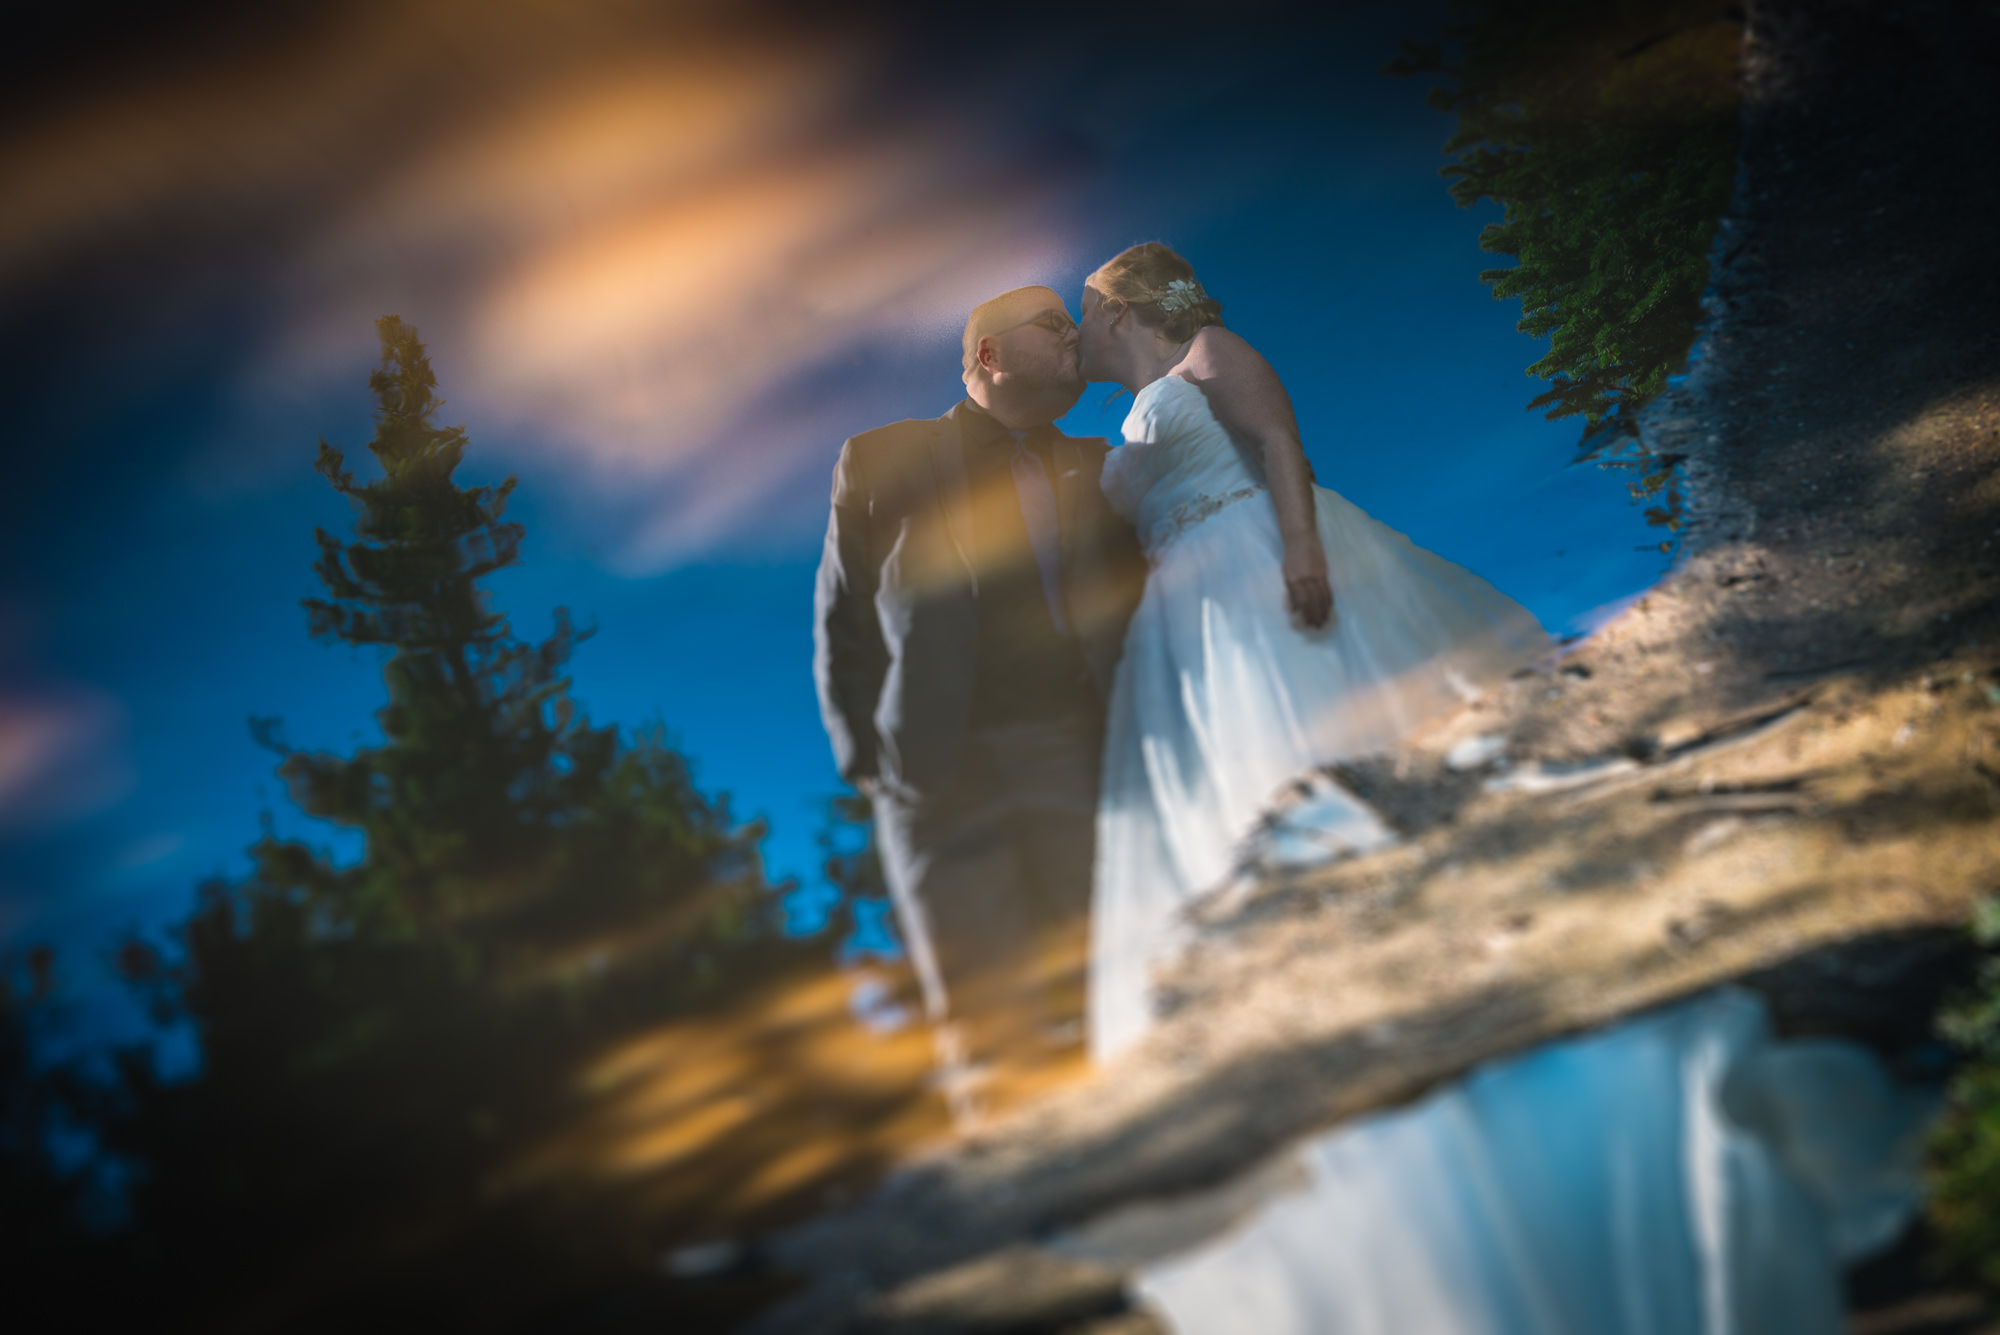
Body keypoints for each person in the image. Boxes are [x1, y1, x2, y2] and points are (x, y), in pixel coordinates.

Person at [1076, 244, 1551, 1062]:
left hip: (1260, 555)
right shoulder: (1123, 419)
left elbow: (1277, 442)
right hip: (1193, 606)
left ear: (1118, 310)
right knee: (1242, 751)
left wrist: (1300, 547)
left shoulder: (1209, 354)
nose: (1079, 328)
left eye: (1082, 310)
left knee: (1325, 710)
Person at [812, 285, 1146, 1120]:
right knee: (990, 1024)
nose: (1074, 338)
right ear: (989, 355)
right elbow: (843, 610)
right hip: (930, 766)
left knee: (1108, 973)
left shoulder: (1102, 467)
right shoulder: (878, 458)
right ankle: (1042, 1209)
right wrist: (864, 754)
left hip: (1074, 748)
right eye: (1053, 326)